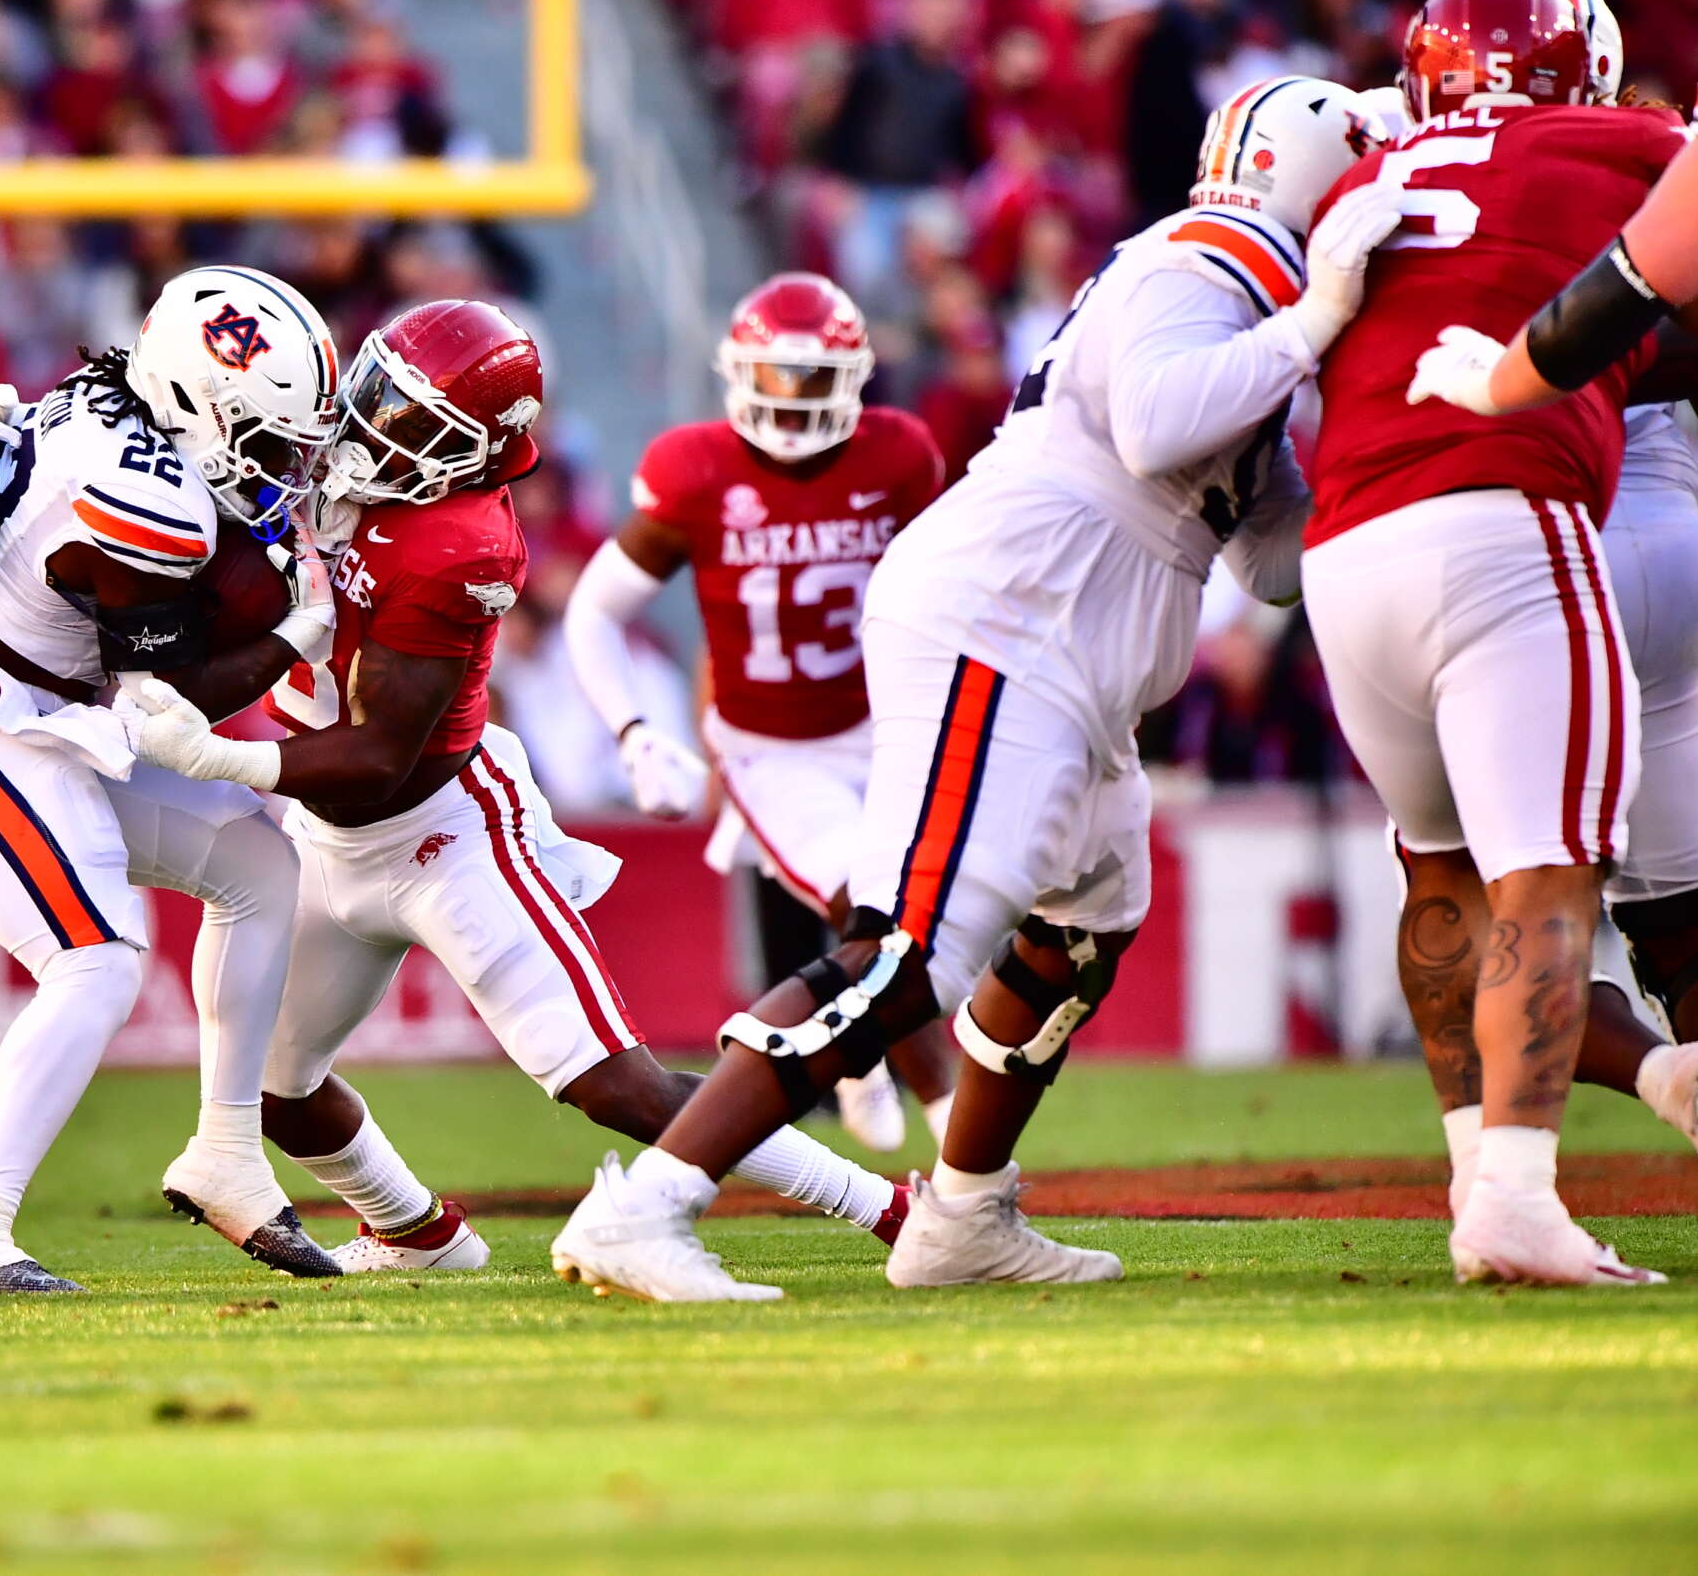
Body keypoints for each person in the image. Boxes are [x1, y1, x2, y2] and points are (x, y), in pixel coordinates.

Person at [547, 75, 1396, 1301]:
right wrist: (1316, 323)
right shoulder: (1212, 254)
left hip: (1078, 653)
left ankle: (960, 1214)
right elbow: (1159, 425)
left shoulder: (1265, 302)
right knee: (906, 954)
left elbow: (1263, 558)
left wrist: (1366, 448)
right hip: (1014, 624)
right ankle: (651, 1200)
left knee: (1081, 928)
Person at [122, 300, 909, 1274]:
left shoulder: (460, 542)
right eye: (376, 393)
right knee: (272, 1086)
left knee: (611, 1082)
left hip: (446, 832)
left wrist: (219, 756)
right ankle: (418, 1234)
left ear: (469, 449)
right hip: (325, 838)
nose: (370, 424)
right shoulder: (328, 441)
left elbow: (381, 753)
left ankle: (886, 1205)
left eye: (411, 418)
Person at [1300, 0, 1691, 1285]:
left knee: (1441, 873)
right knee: (1549, 867)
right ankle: (1517, 1196)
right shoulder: (1621, 139)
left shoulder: (1370, 177)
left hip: (1347, 549)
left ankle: (1476, 1169)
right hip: (1504, 519)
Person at [0, 266, 344, 1295]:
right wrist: (296, 633)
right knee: (96, 960)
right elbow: (174, 706)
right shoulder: (146, 500)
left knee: (261, 862)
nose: (280, 464)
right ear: (196, 401)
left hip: (44, 713)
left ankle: (227, 1151)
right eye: (264, 437)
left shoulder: (111, 394)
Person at [560, 271, 957, 1153]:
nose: (789, 398)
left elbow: (947, 584)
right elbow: (593, 610)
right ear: (739, 373)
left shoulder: (899, 456)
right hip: (772, 754)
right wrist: (634, 734)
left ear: (853, 377)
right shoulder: (694, 471)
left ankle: (857, 1058)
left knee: (918, 926)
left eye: (809, 377)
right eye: (773, 375)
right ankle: (965, 1143)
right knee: (878, 911)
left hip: (886, 727)